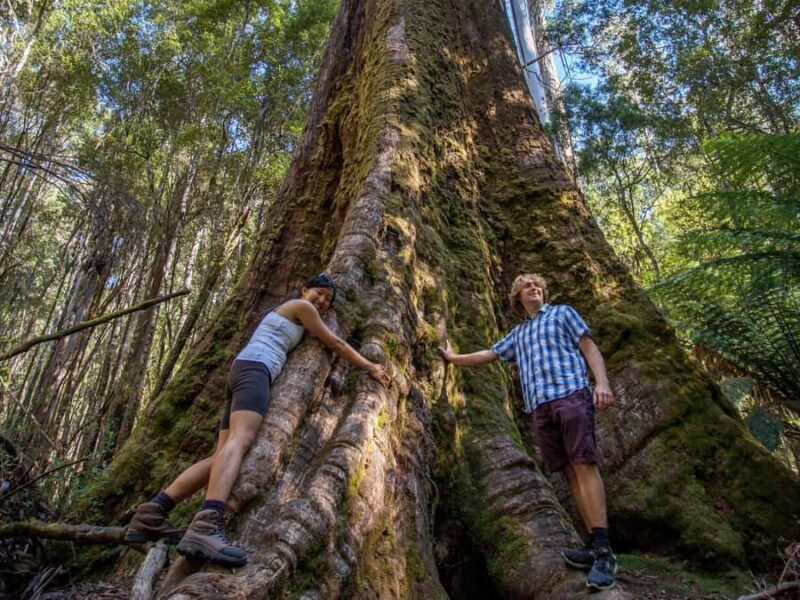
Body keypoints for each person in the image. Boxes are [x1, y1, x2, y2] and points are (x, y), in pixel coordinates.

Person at [124, 274, 389, 567]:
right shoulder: (301, 307)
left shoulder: (289, 313)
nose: (322, 301)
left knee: (224, 454)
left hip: (243, 369)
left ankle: (151, 513)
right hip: (257, 369)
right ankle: (206, 525)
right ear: (303, 289)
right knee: (242, 441)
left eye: (328, 299)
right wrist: (370, 366)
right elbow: (335, 343)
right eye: (319, 292)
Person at [440, 273, 618, 591]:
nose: (534, 288)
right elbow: (489, 354)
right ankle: (593, 543)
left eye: (538, 285)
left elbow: (589, 348)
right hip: (540, 408)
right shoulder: (518, 334)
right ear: (517, 297)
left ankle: (605, 551)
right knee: (570, 473)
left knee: (584, 465)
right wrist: (452, 359)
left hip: (571, 395)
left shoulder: (563, 313)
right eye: (527, 286)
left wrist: (601, 382)